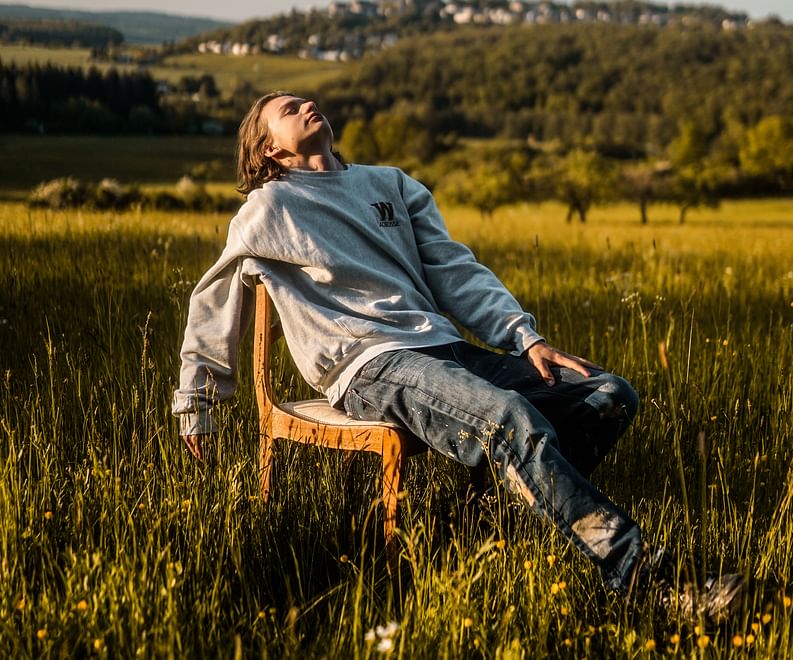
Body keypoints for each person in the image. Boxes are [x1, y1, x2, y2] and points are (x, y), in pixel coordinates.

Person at [173, 91, 744, 619]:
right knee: (509, 420)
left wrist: (526, 337)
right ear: (269, 147)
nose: (308, 104)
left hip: (442, 347)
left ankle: (490, 515)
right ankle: (650, 580)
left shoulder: (390, 184)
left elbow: (455, 270)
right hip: (369, 365)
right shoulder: (269, 207)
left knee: (610, 396)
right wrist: (197, 401)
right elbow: (215, 299)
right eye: (290, 108)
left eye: (308, 99)